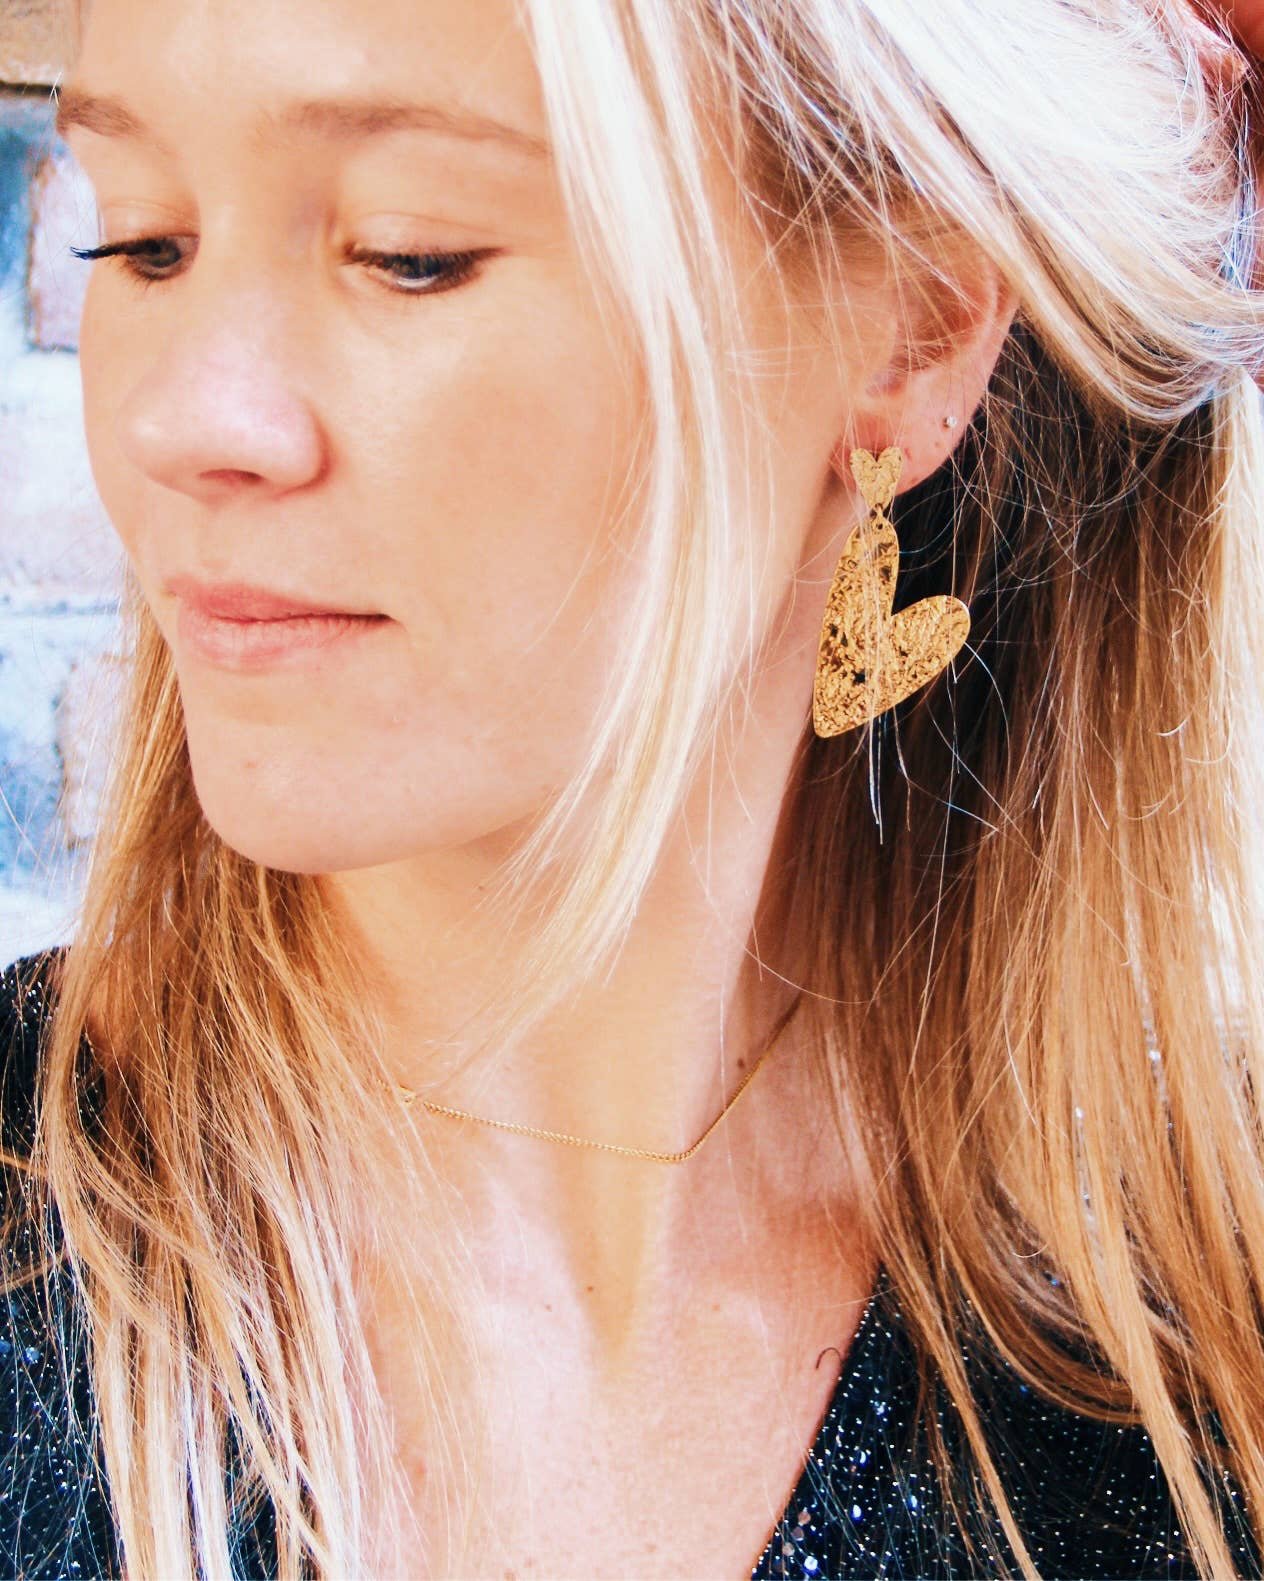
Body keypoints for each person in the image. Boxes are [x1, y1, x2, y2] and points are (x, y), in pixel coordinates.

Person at [1, 0, 1262, 1575]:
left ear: (913, 330)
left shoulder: (1202, 1326)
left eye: (407, 253)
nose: (177, 418)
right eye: (144, 243)